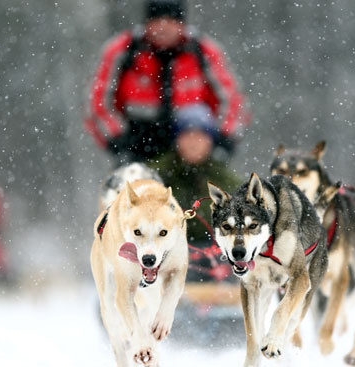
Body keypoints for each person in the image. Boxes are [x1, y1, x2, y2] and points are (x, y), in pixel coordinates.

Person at [85, 0, 250, 282]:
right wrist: (118, 141)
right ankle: (125, 276)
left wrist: (223, 140)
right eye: (156, 20)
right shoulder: (123, 51)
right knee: (130, 214)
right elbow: (98, 105)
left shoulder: (203, 52)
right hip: (138, 149)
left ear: (182, 24)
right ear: (147, 23)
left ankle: (213, 266)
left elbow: (232, 101)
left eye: (171, 20)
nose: (163, 27)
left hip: (192, 143)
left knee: (204, 203)